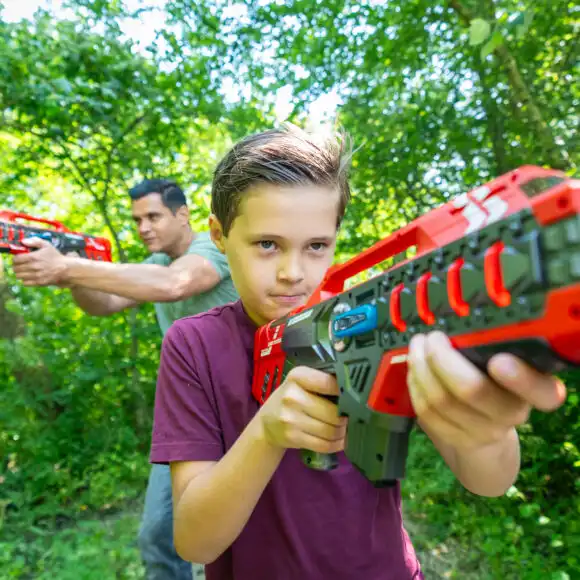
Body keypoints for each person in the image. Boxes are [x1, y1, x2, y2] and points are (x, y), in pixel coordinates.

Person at [149, 125, 567, 579]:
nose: (293, 272)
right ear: (219, 234)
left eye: (316, 246)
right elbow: (193, 539)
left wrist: (485, 436)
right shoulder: (194, 343)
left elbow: (490, 481)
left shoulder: (375, 318)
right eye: (267, 244)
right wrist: (266, 433)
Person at [12, 179, 239, 580]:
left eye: (153, 216)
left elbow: (176, 285)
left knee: (241, 537)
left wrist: (69, 265)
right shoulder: (153, 266)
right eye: (137, 220)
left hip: (242, 405)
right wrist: (74, 275)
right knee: (156, 536)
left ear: (182, 214)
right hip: (189, 412)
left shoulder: (212, 248)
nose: (143, 227)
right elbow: (104, 304)